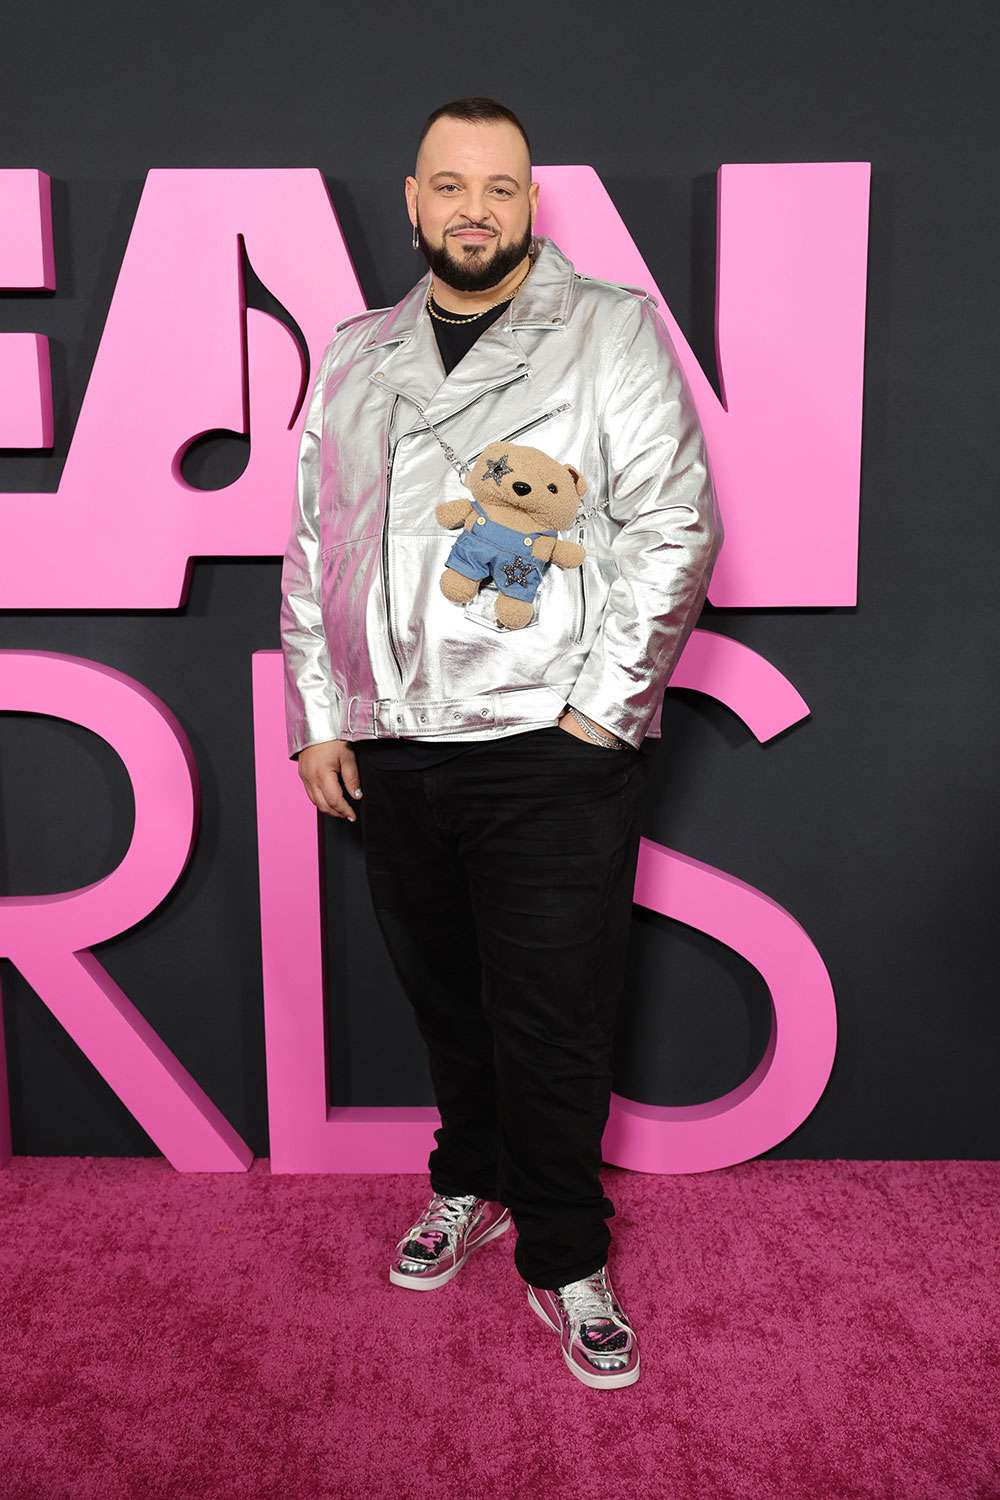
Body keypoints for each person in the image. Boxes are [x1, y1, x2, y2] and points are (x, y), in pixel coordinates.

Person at [279, 96, 724, 1390]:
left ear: (533, 206)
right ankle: (468, 1180)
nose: (475, 208)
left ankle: (566, 1251)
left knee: (554, 1005)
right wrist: (320, 713)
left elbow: (672, 524)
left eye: (502, 187)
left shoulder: (609, 331)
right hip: (394, 744)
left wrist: (601, 713)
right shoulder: (358, 352)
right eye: (450, 185)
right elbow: (318, 541)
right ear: (414, 204)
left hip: (546, 741)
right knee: (445, 993)